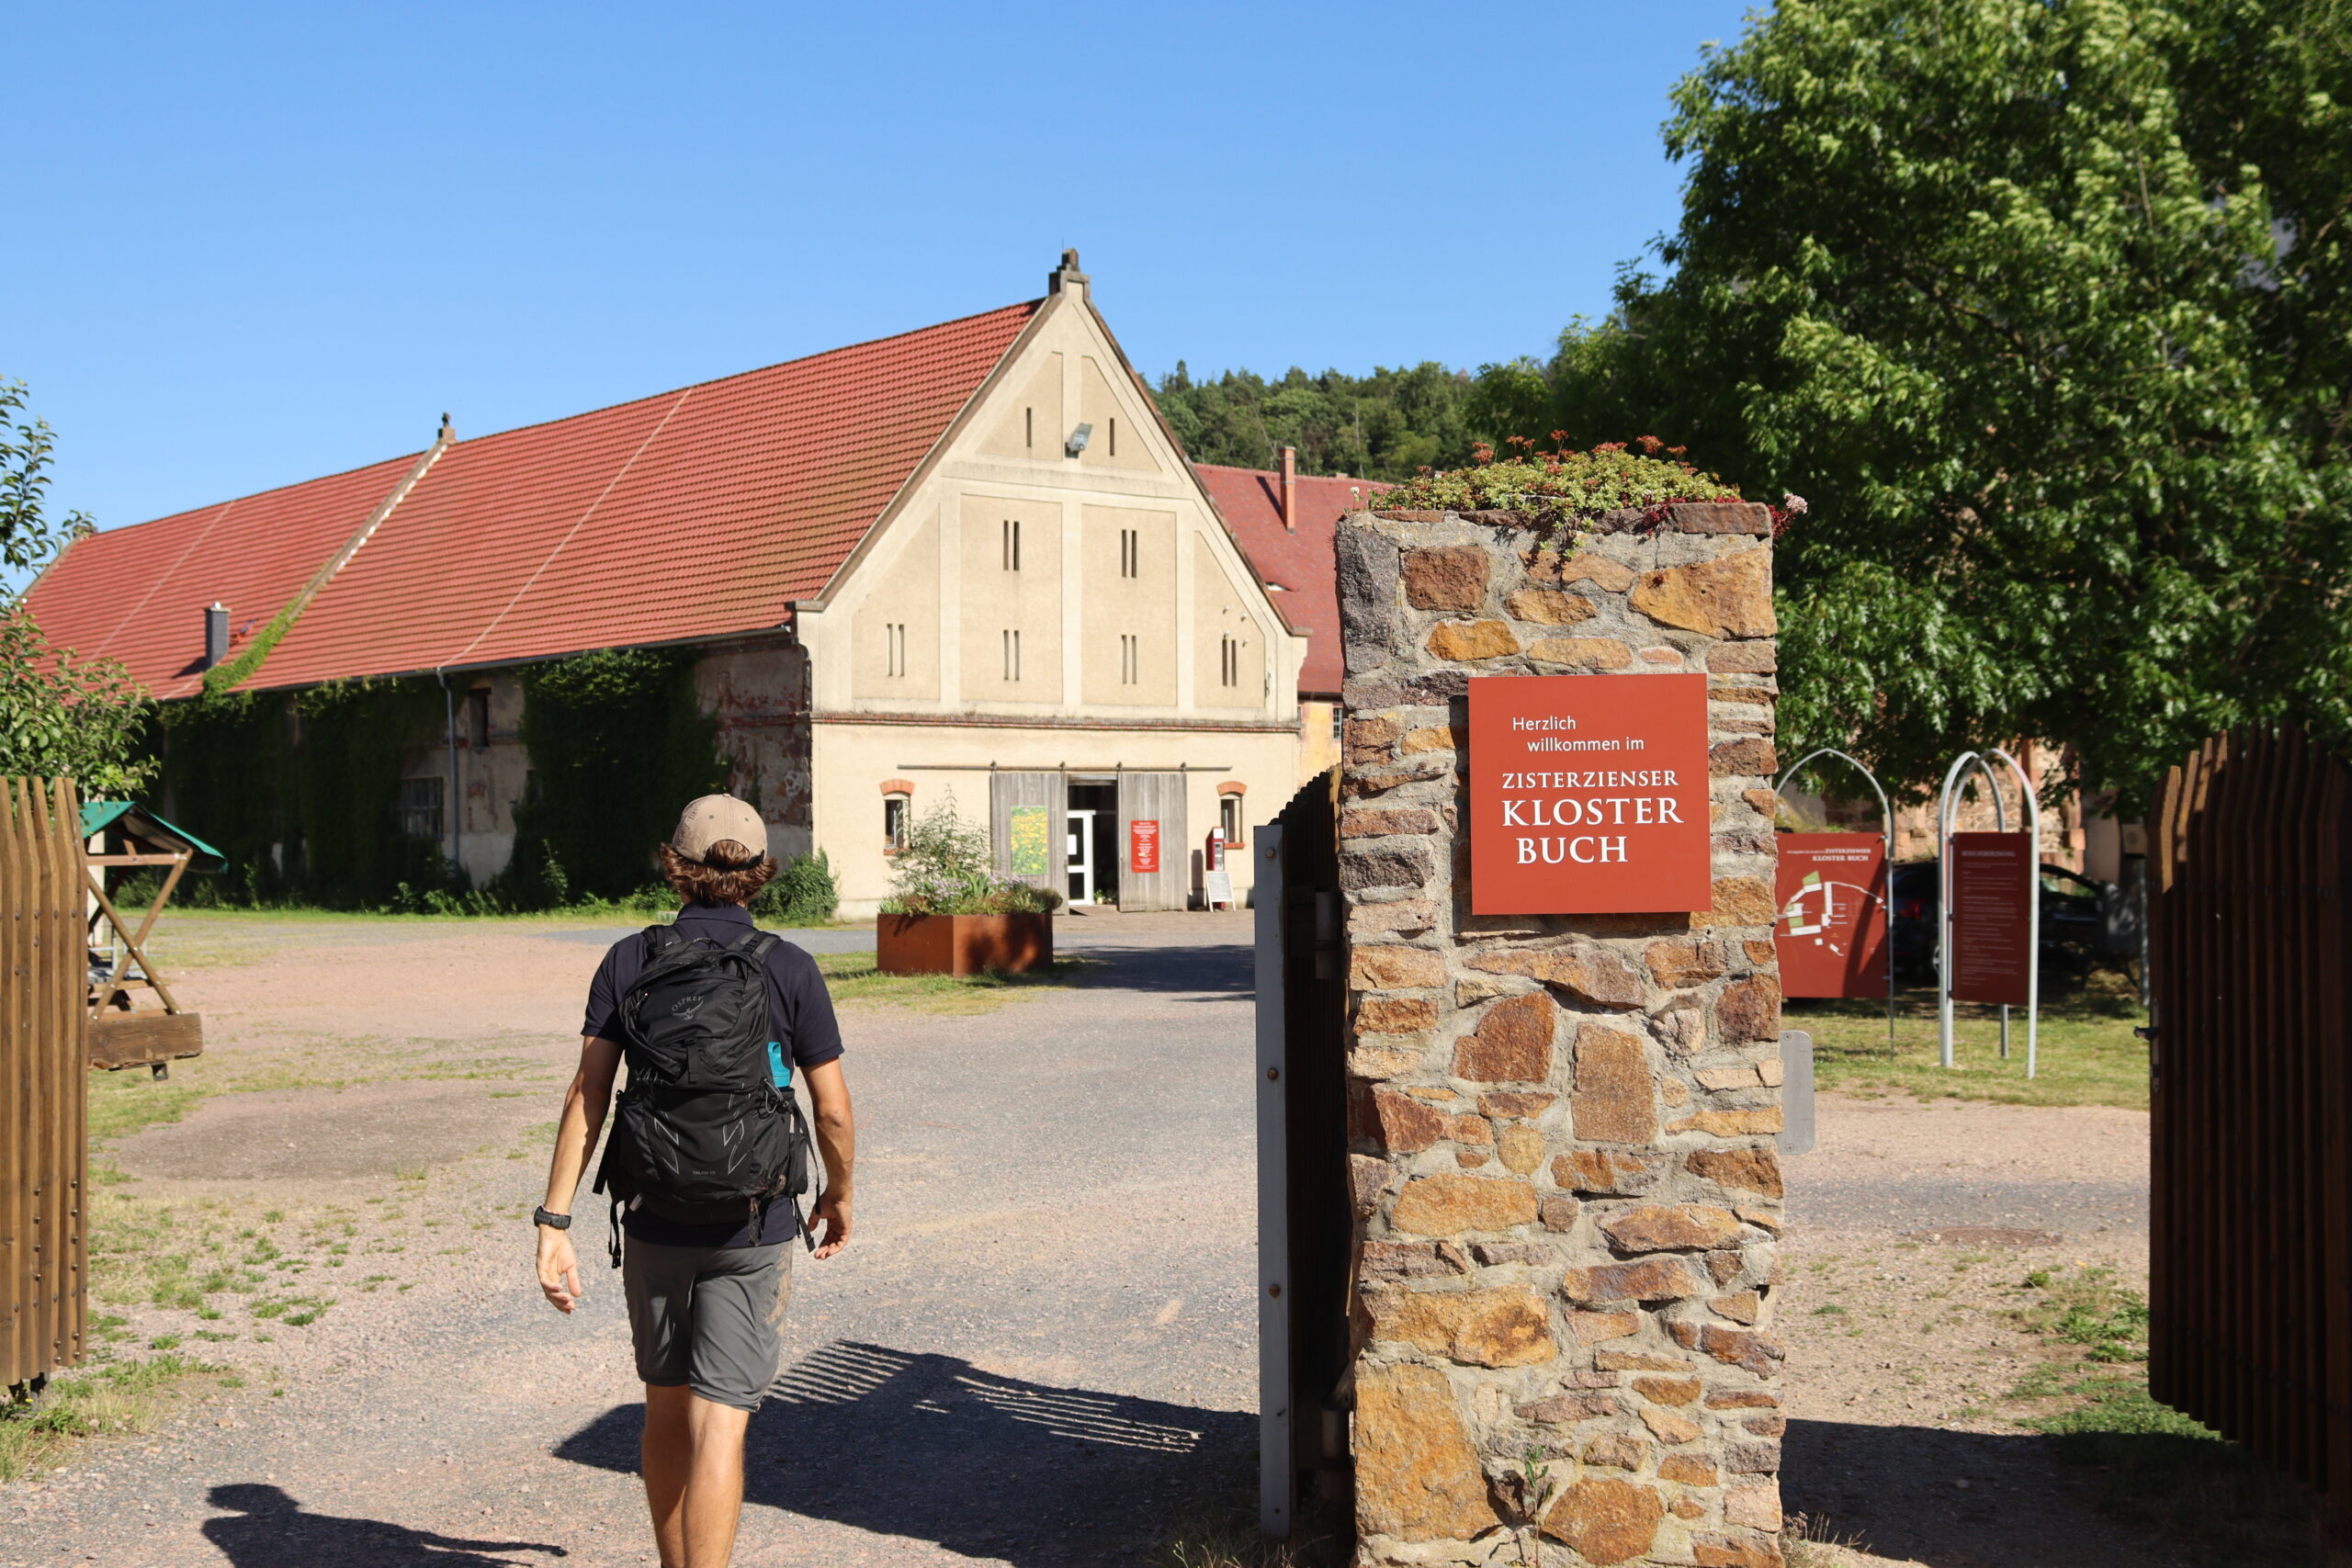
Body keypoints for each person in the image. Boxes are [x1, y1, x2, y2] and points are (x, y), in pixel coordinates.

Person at [534, 795, 854, 1568]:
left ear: (675, 865)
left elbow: (588, 1093)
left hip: (654, 1215)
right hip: (754, 1221)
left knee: (667, 1409)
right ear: (759, 871)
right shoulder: (789, 966)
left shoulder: (630, 958)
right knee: (721, 1425)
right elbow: (834, 1111)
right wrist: (839, 1193)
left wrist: (554, 1220)